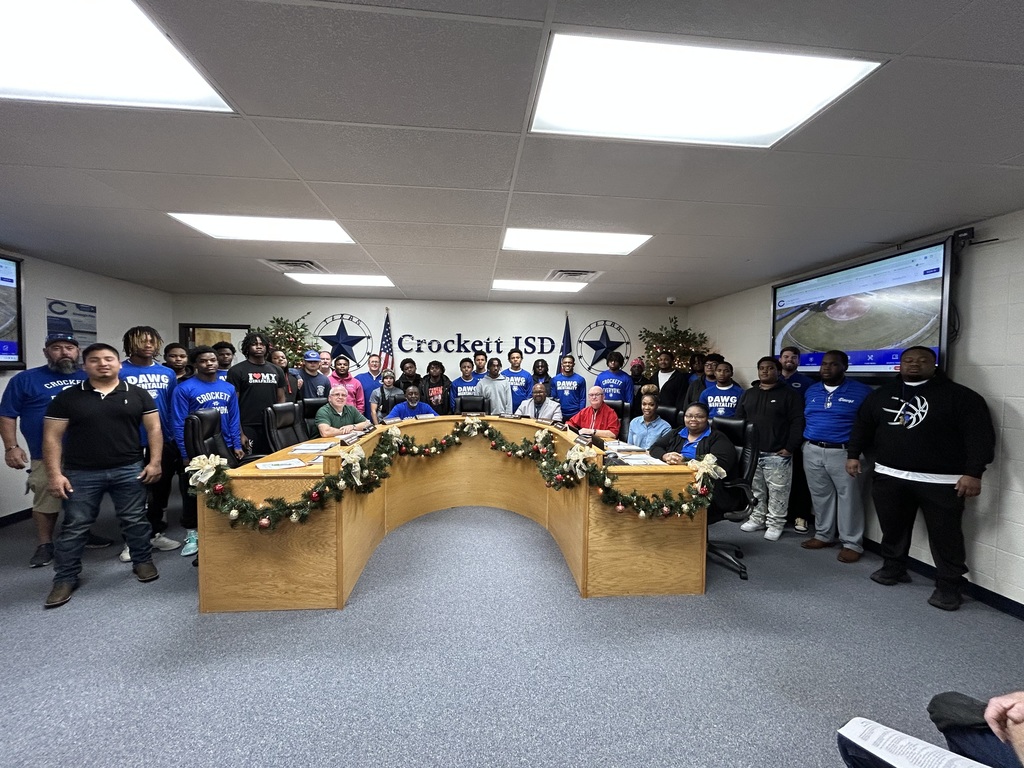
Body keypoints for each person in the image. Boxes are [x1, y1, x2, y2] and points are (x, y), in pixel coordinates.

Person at [847, 346, 995, 611]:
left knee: (945, 536)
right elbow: (863, 426)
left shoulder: (960, 397)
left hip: (940, 481)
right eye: (908, 360)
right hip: (889, 475)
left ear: (934, 364)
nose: (914, 364)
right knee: (892, 528)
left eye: (922, 360)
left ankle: (949, 586)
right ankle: (893, 568)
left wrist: (974, 473)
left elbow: (980, 437)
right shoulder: (881, 395)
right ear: (899, 365)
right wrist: (853, 454)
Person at [42, 343, 163, 608]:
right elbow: (52, 437)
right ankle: (65, 578)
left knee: (135, 520)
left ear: (120, 364)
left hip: (129, 467)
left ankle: (142, 561)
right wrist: (54, 474)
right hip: (81, 472)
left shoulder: (138, 394)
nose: (103, 364)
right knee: (75, 526)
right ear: (84, 366)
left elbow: (154, 430)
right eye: (95, 360)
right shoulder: (68, 397)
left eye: (109, 359)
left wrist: (154, 462)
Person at [0, 332, 112, 568]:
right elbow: (7, 414)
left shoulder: (88, 376)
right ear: (46, 352)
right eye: (57, 348)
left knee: (84, 498)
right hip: (47, 453)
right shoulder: (25, 379)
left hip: (87, 452)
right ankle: (45, 544)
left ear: (78, 351)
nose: (64, 352)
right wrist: (11, 447)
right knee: (46, 498)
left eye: (69, 348)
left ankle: (84, 533)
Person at [171, 345, 245, 563]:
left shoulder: (228, 387)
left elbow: (233, 418)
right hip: (196, 449)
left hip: (222, 445)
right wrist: (186, 453)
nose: (210, 363)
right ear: (195, 364)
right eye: (204, 361)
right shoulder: (184, 389)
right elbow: (178, 423)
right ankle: (192, 533)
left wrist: (235, 445)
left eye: (212, 360)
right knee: (193, 492)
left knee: (224, 488)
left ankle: (220, 530)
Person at [801, 350, 872, 563]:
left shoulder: (862, 392)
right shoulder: (811, 390)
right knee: (820, 496)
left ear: (845, 367)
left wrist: (856, 454)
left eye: (833, 364)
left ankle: (851, 543)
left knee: (849, 498)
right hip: (812, 449)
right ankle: (824, 535)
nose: (826, 368)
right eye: (824, 364)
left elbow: (868, 426)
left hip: (845, 453)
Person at [119, 326, 181, 559]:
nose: (148, 345)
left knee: (159, 490)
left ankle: (155, 533)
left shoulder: (167, 373)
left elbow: (172, 406)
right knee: (133, 492)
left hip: (162, 439)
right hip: (130, 441)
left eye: (152, 341)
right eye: (142, 341)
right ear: (130, 344)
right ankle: (131, 542)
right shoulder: (121, 371)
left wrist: (173, 437)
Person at [736, 356, 805, 541]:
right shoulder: (749, 393)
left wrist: (790, 447)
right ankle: (757, 518)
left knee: (778, 492)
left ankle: (775, 524)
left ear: (778, 371)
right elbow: (739, 420)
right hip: (752, 453)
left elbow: (797, 423)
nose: (765, 371)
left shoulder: (789, 394)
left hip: (777, 453)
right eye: (762, 368)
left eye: (770, 368)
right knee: (755, 489)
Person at [649, 402, 739, 517]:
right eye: (689, 416)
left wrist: (685, 461)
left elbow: (719, 465)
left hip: (703, 488)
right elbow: (655, 447)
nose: (693, 419)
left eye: (699, 416)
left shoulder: (716, 438)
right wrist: (666, 456)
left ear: (707, 418)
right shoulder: (678, 433)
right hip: (672, 478)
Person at [226, 332, 285, 455]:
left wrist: (280, 425)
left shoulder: (277, 370)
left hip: (270, 425)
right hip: (247, 424)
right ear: (247, 347)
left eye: (262, 344)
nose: (259, 347)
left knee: (272, 458)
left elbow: (281, 398)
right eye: (254, 344)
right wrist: (240, 433)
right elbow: (233, 405)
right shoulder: (236, 371)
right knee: (251, 461)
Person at [779, 345, 815, 534]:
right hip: (775, 438)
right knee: (775, 481)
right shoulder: (772, 380)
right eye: (786, 357)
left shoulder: (807, 383)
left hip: (797, 437)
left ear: (798, 361)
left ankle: (800, 516)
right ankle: (778, 515)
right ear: (780, 359)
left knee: (799, 479)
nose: (789, 360)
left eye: (793, 357)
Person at [552, 354, 587, 421]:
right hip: (559, 412)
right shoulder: (555, 379)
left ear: (573, 364)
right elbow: (553, 398)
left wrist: (581, 413)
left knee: (574, 431)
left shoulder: (580, 379)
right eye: (565, 362)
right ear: (562, 364)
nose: (567, 364)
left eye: (570, 362)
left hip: (575, 413)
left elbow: (582, 399)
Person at [355, 353, 383, 419]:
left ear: (380, 364)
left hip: (382, 415)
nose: (374, 364)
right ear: (368, 364)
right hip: (363, 414)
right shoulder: (359, 378)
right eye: (372, 362)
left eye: (376, 362)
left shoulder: (386, 379)